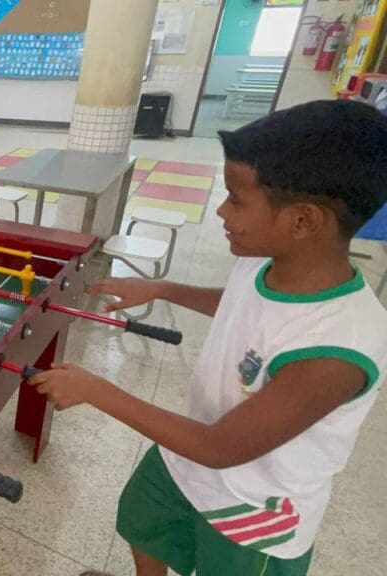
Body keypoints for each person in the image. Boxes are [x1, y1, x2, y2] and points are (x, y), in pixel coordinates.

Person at [30, 100, 387, 576]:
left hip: (253, 510)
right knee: (143, 521)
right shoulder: (264, 262)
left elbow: (222, 447)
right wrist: (161, 288)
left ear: (303, 221)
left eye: (236, 200)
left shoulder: (339, 348)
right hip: (189, 460)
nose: (220, 210)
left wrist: (97, 390)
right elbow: (244, 301)